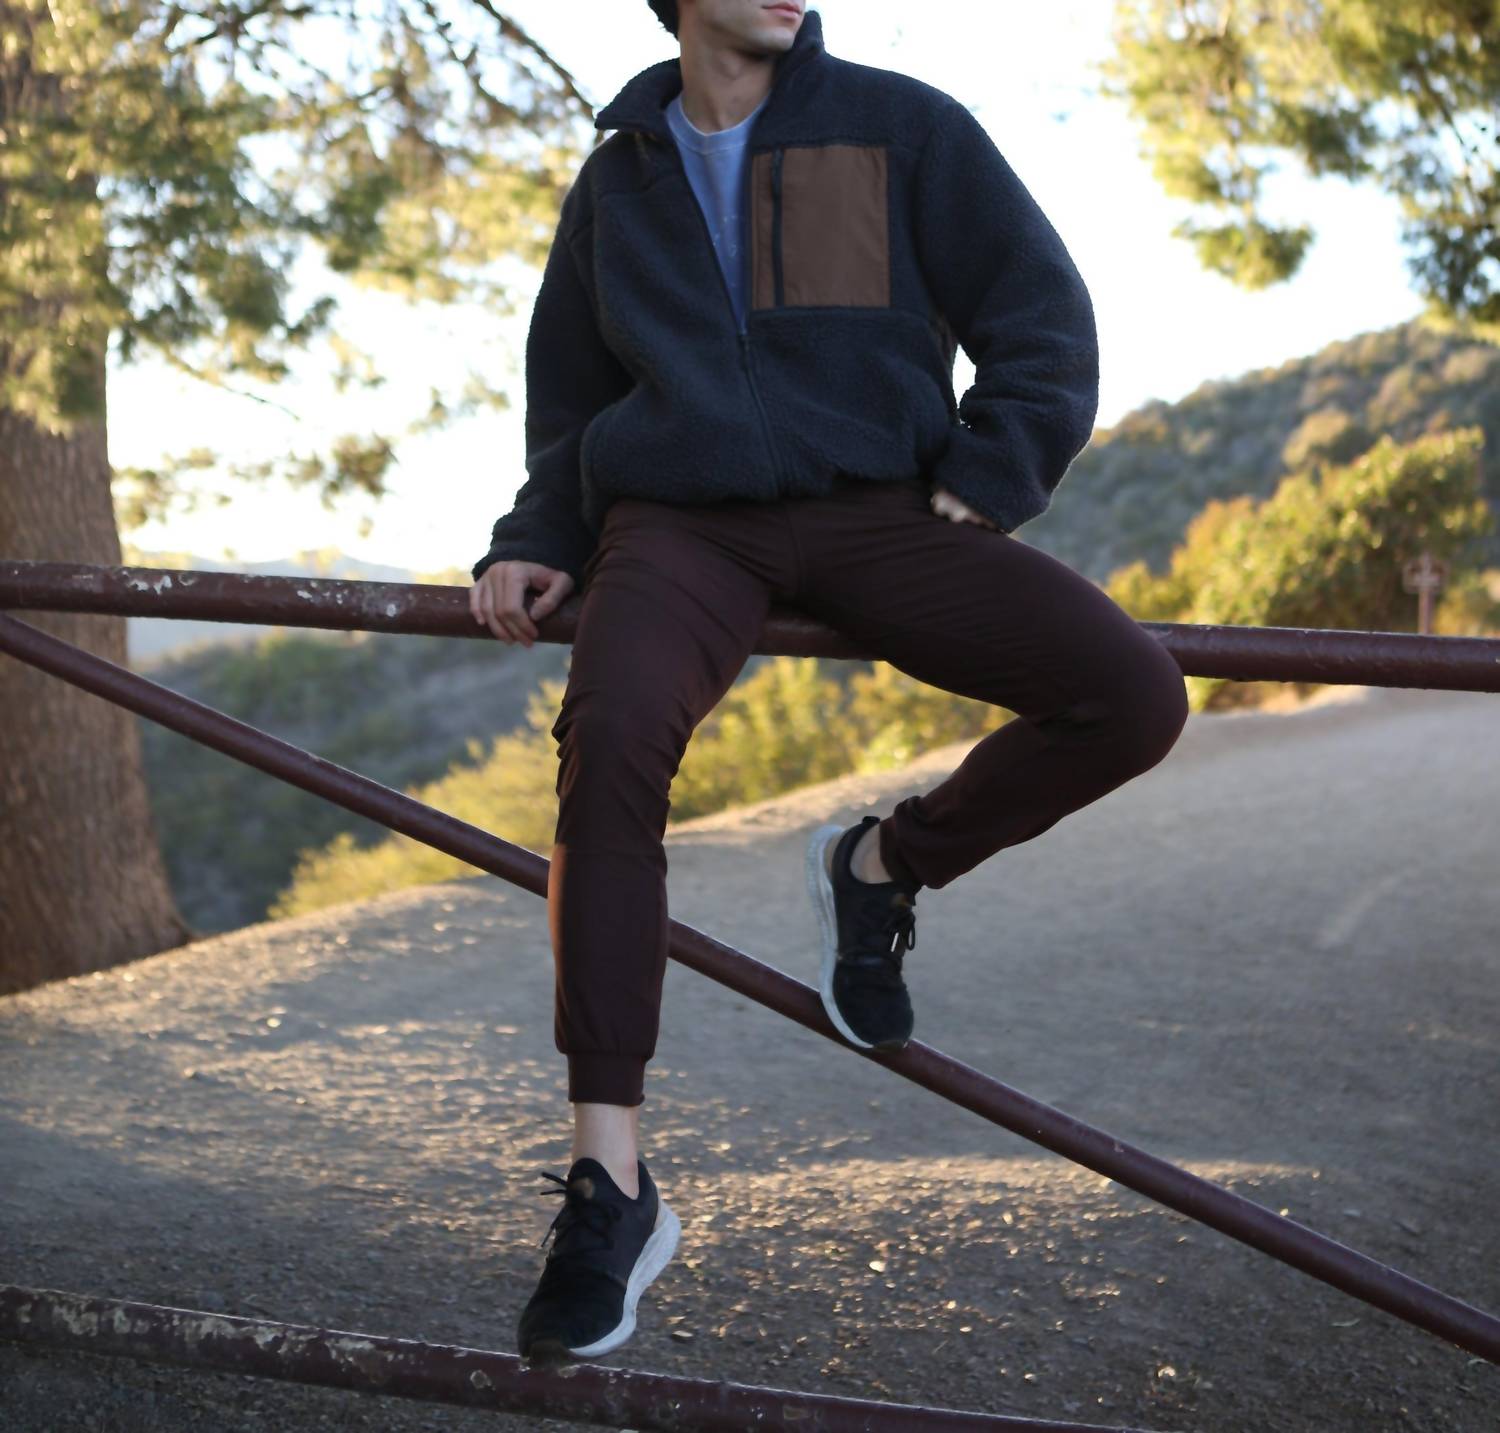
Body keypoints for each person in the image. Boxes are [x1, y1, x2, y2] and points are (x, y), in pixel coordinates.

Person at [467, 0, 1189, 1366]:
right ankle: (610, 1181)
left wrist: (990, 470)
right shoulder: (620, 176)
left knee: (1135, 696)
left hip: (879, 512)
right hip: (683, 526)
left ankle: (881, 865)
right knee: (611, 738)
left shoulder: (894, 127)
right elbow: (567, 400)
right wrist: (536, 536)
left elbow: (1041, 316)